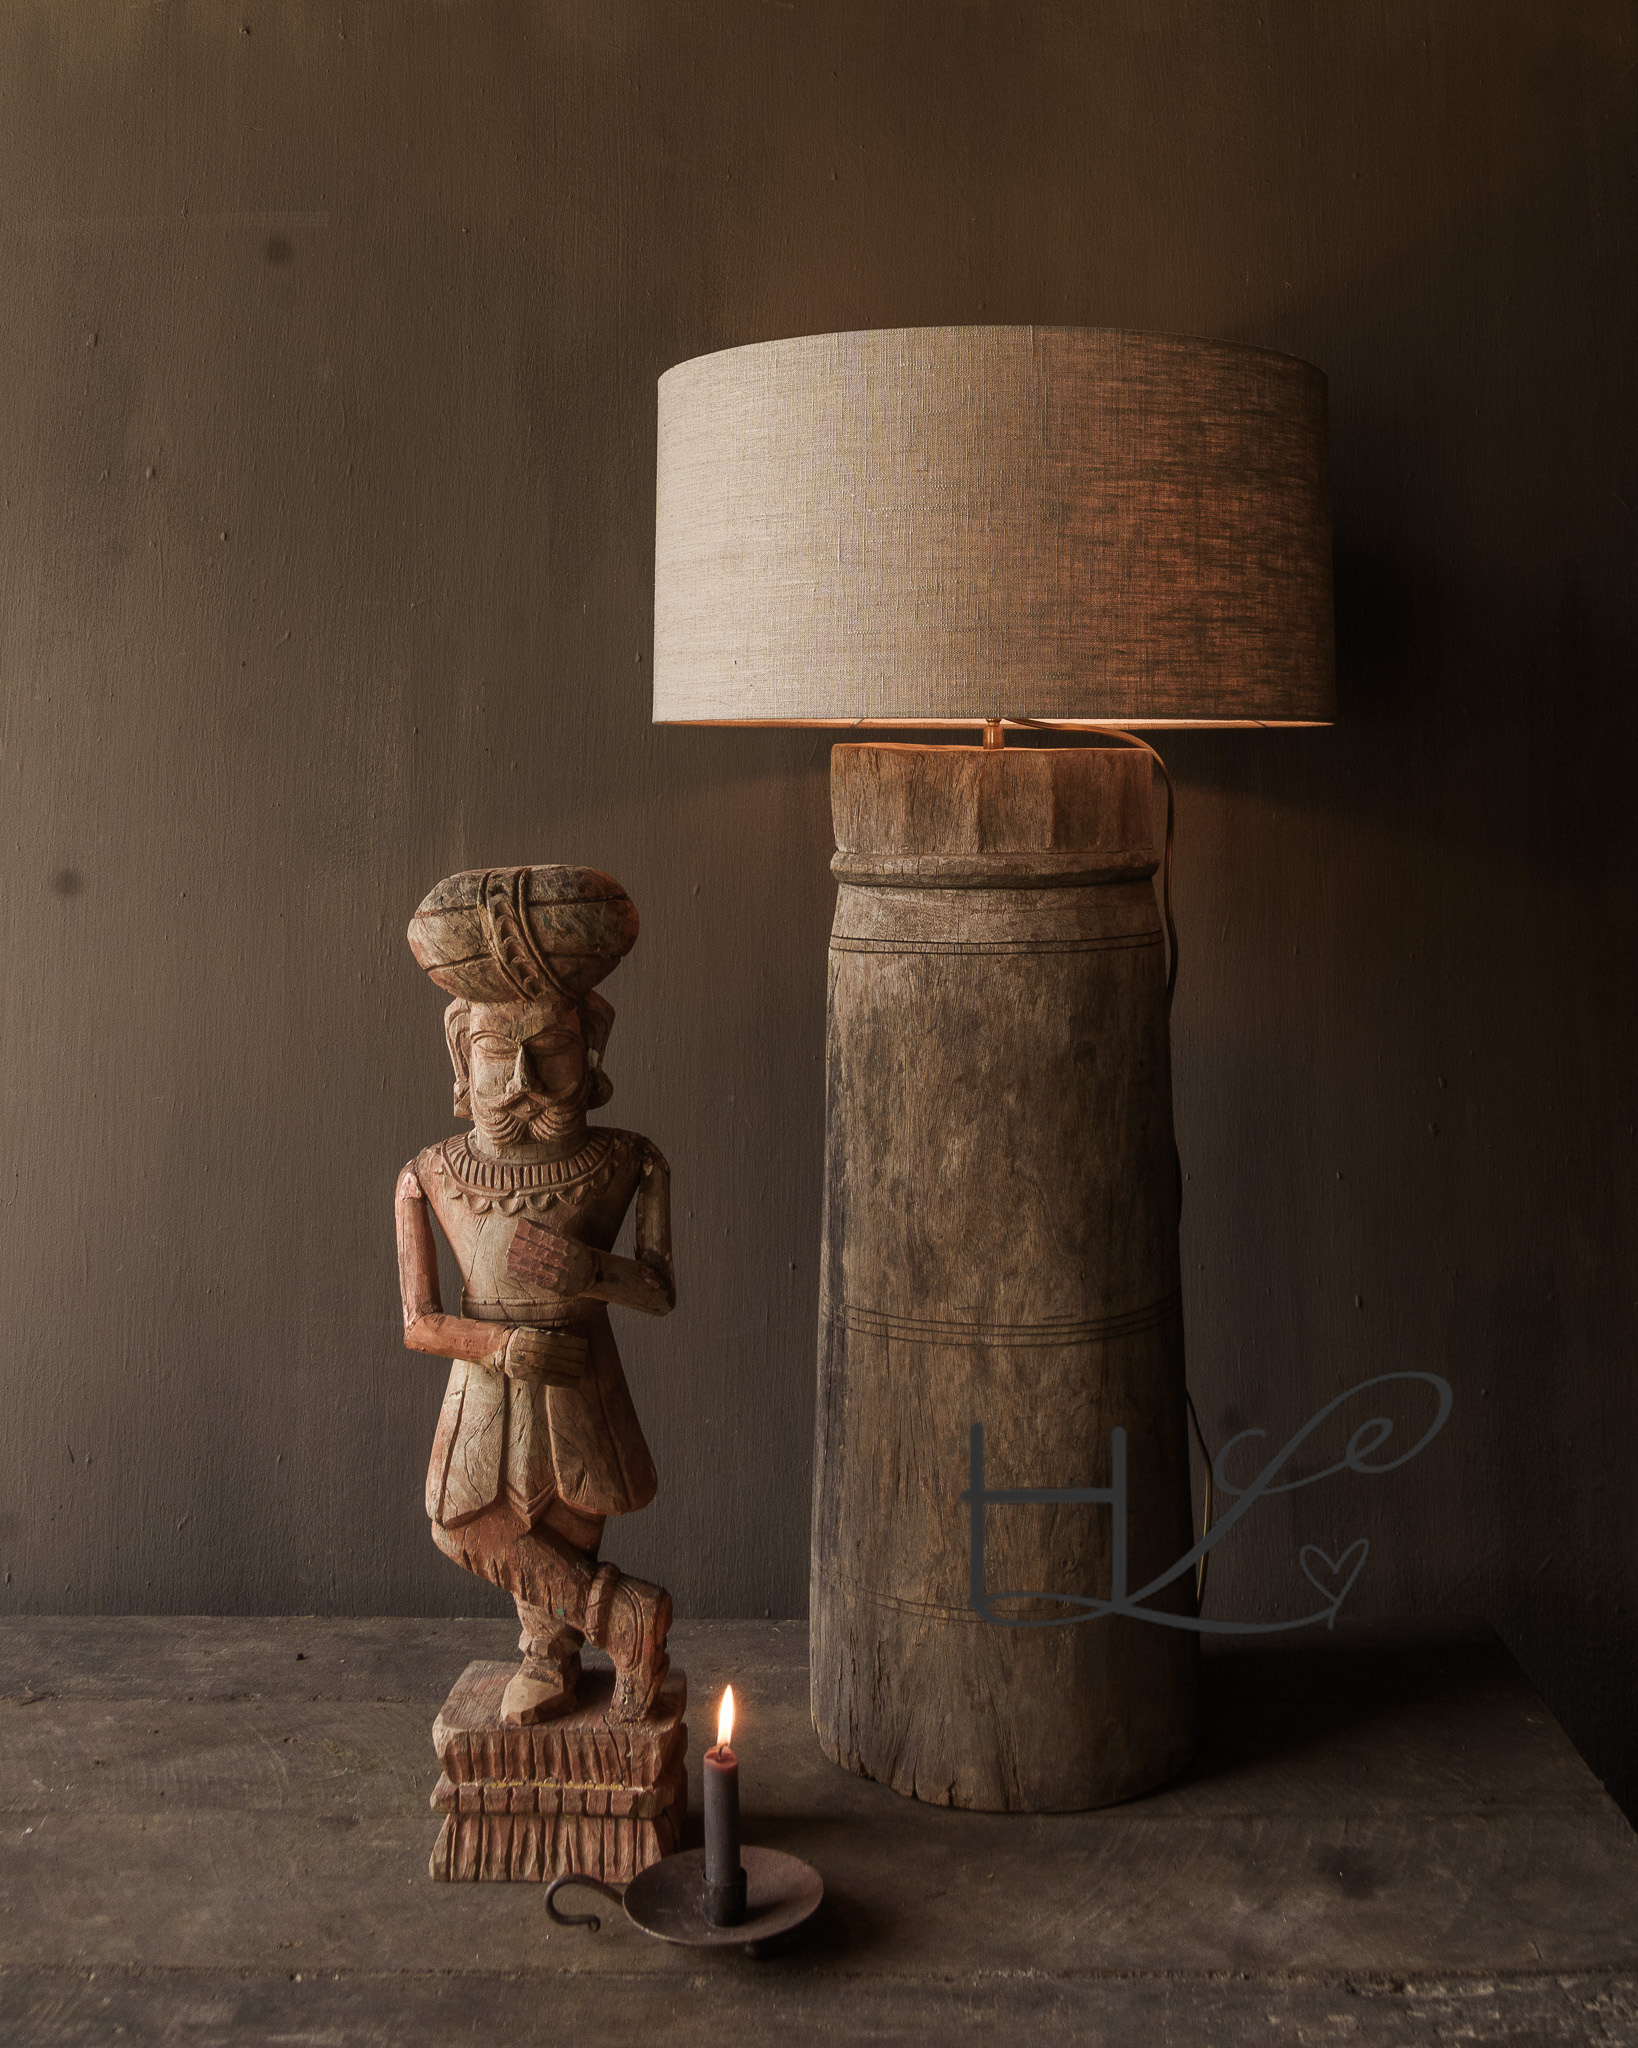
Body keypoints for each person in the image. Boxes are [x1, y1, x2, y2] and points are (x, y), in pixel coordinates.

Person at [394, 865, 674, 1725]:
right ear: (459, 1053)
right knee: (460, 1520)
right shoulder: (431, 1173)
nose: (520, 1077)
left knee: (571, 1516)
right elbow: (420, 1322)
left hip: (581, 1377)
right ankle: (620, 1618)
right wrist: (501, 1346)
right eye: (494, 1052)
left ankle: (549, 1656)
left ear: (592, 1048)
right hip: (488, 1381)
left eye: (549, 1050)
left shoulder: (627, 1160)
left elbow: (658, 1290)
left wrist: (589, 1273)